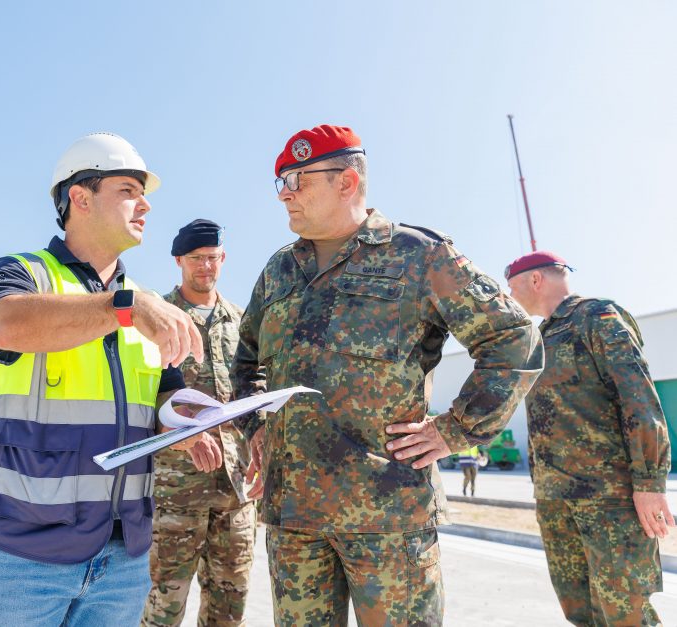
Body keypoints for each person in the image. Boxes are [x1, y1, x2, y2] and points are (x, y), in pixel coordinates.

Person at [231, 124, 543, 626]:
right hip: (293, 517)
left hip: (387, 517)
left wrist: (455, 430)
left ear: (347, 182)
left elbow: (513, 340)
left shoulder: (420, 256)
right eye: (281, 183)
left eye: (298, 179)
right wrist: (258, 427)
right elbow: (243, 364)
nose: (284, 193)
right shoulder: (278, 272)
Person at [0, 132, 204, 626]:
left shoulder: (144, 300)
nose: (146, 205)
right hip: (19, 559)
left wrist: (185, 418)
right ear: (80, 197)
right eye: (128, 190)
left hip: (121, 558)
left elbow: (164, 396)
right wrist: (124, 309)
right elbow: (4, 324)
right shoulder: (24, 272)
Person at [505, 250, 672, 626]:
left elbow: (638, 399)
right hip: (555, 499)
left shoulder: (597, 317)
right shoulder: (539, 337)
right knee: (580, 612)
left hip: (608, 499)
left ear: (535, 280)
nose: (509, 296)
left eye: (512, 287)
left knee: (625, 614)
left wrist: (649, 482)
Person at [143, 219, 256, 627]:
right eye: (196, 259)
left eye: (212, 258)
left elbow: (252, 392)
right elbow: (145, 395)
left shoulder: (243, 323)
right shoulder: (160, 319)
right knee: (162, 602)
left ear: (223, 258)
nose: (205, 266)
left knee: (231, 603)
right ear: (179, 261)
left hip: (236, 490)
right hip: (176, 490)